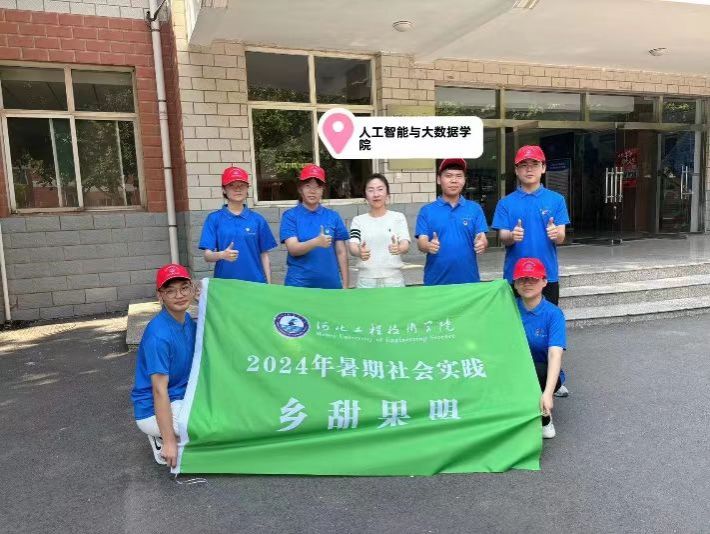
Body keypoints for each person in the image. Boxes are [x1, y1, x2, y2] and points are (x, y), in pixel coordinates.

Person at [131, 264, 197, 467]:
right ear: (160, 296)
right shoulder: (158, 336)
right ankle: (162, 437)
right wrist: (169, 441)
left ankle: (176, 433)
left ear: (192, 289)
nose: (179, 295)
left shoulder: (188, 321)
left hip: (181, 394)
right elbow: (159, 390)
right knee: (204, 423)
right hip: (152, 407)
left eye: (184, 288)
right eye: (171, 291)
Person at [492, 145, 570, 305]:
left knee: (546, 317)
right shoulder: (505, 203)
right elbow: (503, 237)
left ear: (543, 168)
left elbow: (561, 237)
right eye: (523, 165)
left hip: (546, 276)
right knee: (514, 319)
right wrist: (512, 236)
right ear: (516, 170)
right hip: (515, 275)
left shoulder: (557, 200)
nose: (529, 169)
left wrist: (556, 234)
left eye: (534, 164)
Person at [513, 257, 566, 439]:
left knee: (538, 370)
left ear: (544, 281)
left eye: (533, 279)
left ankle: (545, 417)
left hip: (541, 372)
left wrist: (548, 393)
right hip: (514, 368)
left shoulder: (554, 314)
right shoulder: (507, 308)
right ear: (515, 284)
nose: (527, 283)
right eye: (522, 279)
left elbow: (554, 355)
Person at [415, 158, 488, 286]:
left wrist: (482, 244)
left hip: (469, 281)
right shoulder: (427, 211)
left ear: (464, 180)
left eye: (459, 176)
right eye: (448, 176)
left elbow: (482, 238)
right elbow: (421, 242)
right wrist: (428, 246)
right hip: (436, 282)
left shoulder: (474, 209)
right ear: (439, 179)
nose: (454, 180)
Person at [199, 166, 277, 283]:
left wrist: (269, 285)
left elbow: (264, 255)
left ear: (247, 189)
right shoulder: (214, 219)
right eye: (232, 185)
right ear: (224, 189)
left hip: (255, 283)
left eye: (242, 185)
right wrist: (222, 255)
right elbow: (207, 256)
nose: (238, 189)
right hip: (225, 284)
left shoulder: (257, 220)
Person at [280, 164, 349, 289]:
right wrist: (316, 242)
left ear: (323, 190)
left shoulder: (333, 216)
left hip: (330, 285)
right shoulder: (290, 216)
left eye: (317, 187)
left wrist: (345, 284)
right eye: (308, 186)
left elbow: (341, 252)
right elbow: (293, 249)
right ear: (300, 189)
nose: (313, 191)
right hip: (299, 285)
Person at [348, 174, 411, 288]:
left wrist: (399, 248)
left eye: (380, 189)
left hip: (393, 281)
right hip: (366, 282)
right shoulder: (358, 221)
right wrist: (359, 252)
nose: (376, 194)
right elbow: (353, 246)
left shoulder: (398, 217)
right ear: (365, 196)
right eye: (371, 190)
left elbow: (405, 243)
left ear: (387, 194)